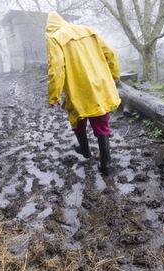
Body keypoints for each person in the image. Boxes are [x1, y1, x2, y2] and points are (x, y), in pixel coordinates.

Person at [46, 12, 121, 176]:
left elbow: (56, 69)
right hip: (100, 83)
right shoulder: (87, 30)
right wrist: (114, 75)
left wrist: (54, 96)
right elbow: (111, 53)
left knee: (77, 118)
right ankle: (106, 163)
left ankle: (85, 151)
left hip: (78, 87)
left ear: (49, 28)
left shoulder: (54, 38)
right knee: (101, 121)